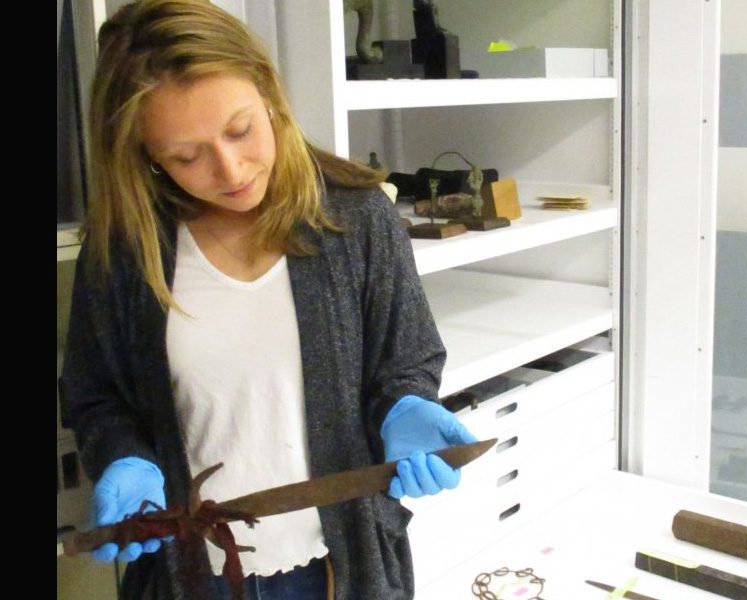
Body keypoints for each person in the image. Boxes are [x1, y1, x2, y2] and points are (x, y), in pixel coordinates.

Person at [58, 1, 477, 598]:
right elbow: (95, 395)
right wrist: (123, 456)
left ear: (269, 96)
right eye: (186, 155)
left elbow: (404, 359)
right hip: (187, 575)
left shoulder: (358, 220)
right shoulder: (127, 249)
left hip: (339, 566)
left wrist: (402, 407)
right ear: (147, 156)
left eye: (240, 129)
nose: (229, 169)